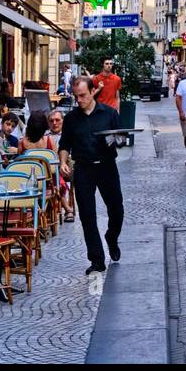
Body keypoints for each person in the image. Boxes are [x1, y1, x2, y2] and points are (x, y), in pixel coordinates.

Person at [59, 75, 124, 275]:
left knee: (117, 210)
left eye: (83, 95)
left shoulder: (109, 113)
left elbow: (121, 138)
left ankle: (111, 237)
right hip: (83, 169)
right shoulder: (71, 119)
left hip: (106, 167)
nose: (79, 100)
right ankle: (97, 260)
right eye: (76, 96)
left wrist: (117, 140)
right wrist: (62, 161)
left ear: (93, 91)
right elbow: (64, 144)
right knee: (87, 215)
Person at [46, 108, 75, 221]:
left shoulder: (70, 135)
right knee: (52, 176)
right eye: (51, 121)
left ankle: (66, 209)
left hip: (66, 167)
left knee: (54, 177)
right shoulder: (44, 136)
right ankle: (67, 209)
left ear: (63, 121)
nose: (54, 123)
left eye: (57, 120)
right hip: (49, 168)